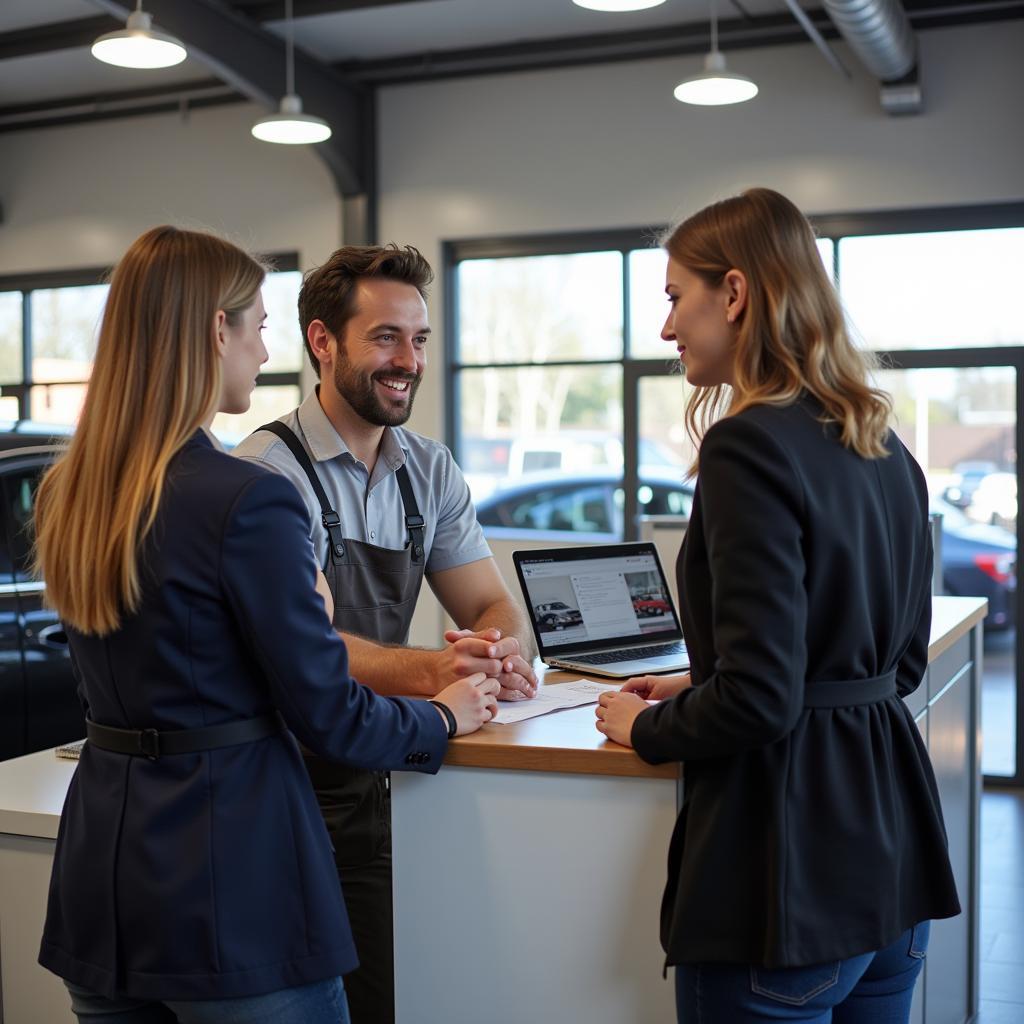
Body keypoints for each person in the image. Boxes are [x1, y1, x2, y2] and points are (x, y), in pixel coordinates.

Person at [33, 226, 499, 1024]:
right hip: (230, 883)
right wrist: (443, 716)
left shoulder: (74, 491)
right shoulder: (249, 496)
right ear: (217, 329)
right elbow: (327, 710)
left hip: (102, 879)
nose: (260, 349)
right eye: (256, 326)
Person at [594, 188, 960, 1024]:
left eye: (673, 297)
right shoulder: (883, 445)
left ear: (734, 292)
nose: (665, 328)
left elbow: (764, 699)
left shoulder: (747, 444)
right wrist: (703, 682)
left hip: (788, 882)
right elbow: (895, 666)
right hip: (893, 860)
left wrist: (642, 727)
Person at [232, 243, 536, 1024]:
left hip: (388, 774)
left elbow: (493, 605)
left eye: (421, 339)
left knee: (399, 989)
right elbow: (308, 650)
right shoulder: (268, 474)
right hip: (292, 787)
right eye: (386, 338)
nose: (409, 361)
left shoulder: (429, 470)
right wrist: (438, 671)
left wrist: (495, 654)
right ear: (322, 342)